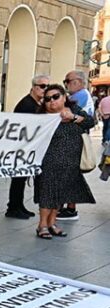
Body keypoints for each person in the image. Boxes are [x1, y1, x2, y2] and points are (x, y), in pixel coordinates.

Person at [34, 84, 95, 239]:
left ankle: (52, 223)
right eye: (47, 99)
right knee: (47, 194)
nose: (51, 101)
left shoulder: (74, 111)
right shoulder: (41, 118)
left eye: (55, 97)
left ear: (64, 97)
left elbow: (90, 122)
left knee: (61, 195)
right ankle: (42, 225)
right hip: (49, 162)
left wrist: (73, 118)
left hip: (70, 162)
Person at [6, 74, 50, 220]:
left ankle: (18, 205)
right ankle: (13, 207)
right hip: (21, 147)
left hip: (27, 147)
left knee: (22, 177)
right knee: (18, 178)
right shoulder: (27, 104)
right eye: (43, 86)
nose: (46, 89)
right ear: (34, 87)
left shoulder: (35, 103)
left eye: (47, 86)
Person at [58, 70, 95, 221]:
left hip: (73, 140)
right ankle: (68, 207)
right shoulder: (84, 95)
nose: (65, 84)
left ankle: (69, 208)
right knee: (71, 175)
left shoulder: (78, 97)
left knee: (69, 175)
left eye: (67, 81)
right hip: (76, 139)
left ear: (78, 82)